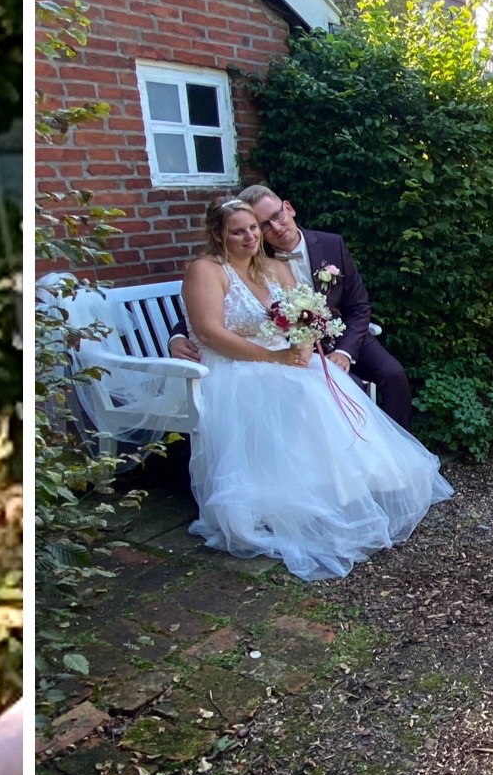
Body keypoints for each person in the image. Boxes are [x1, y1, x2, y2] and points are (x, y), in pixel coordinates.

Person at [177, 197, 452, 582]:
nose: (251, 236)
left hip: (281, 357)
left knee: (324, 382)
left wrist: (304, 345)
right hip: (233, 365)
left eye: (254, 227)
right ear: (218, 235)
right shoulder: (207, 270)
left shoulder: (272, 267)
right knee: (300, 392)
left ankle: (341, 489)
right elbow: (208, 331)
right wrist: (271, 358)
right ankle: (287, 501)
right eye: (238, 231)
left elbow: (307, 319)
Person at [173, 184, 412, 429]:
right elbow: (214, 314)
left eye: (276, 216)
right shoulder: (254, 254)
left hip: (342, 338)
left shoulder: (331, 245)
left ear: (288, 208)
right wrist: (178, 335)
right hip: (285, 352)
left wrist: (344, 352)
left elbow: (359, 305)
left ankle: (399, 446)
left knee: (393, 375)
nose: (274, 228)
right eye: (264, 224)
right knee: (331, 392)